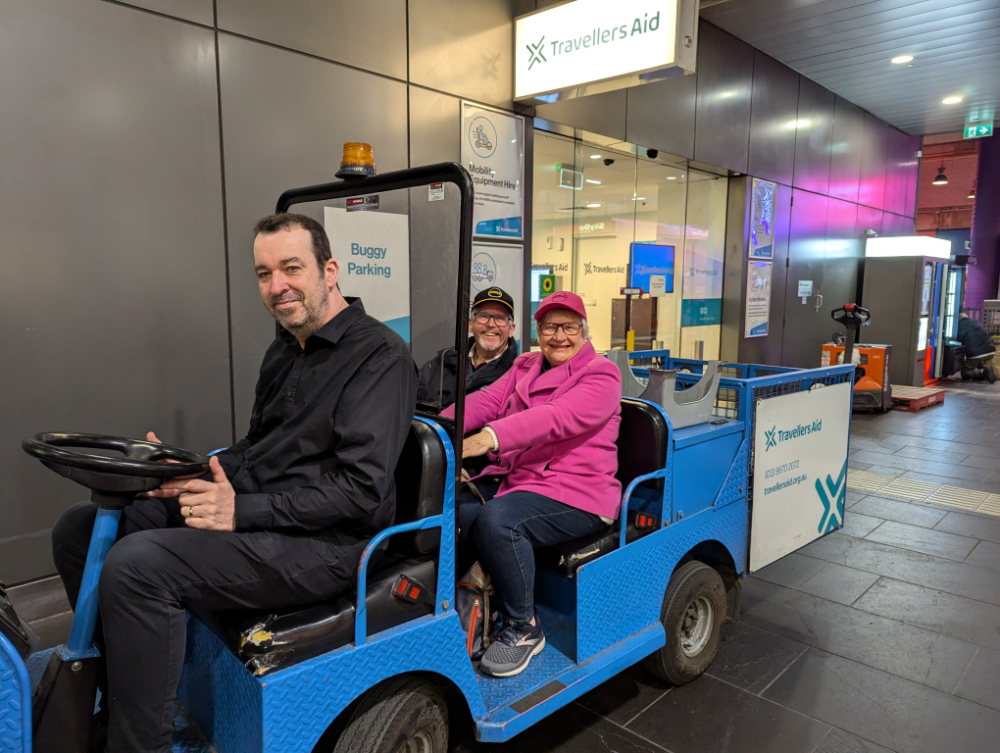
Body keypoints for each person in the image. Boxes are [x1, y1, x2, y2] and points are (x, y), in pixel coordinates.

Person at [51, 213, 416, 753]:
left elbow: (359, 491)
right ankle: (125, 700)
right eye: (264, 273)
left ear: (330, 270)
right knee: (80, 529)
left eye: (292, 268)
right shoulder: (283, 349)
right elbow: (257, 449)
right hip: (264, 517)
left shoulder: (380, 357)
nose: (277, 286)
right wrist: (187, 475)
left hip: (327, 544)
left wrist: (238, 512)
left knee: (139, 566)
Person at [443, 290, 622, 678]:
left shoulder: (602, 374)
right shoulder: (525, 365)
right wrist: (437, 433)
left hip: (578, 492)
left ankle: (525, 627)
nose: (558, 336)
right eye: (549, 327)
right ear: (537, 330)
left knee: (499, 521)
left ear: (584, 331)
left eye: (568, 327)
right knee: (456, 508)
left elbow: (555, 417)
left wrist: (486, 439)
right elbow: (485, 401)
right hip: (520, 479)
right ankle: (453, 606)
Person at [416, 286, 518, 410]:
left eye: (500, 318)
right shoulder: (443, 361)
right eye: (483, 316)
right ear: (470, 324)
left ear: (511, 329)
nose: (491, 324)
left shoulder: (517, 374)